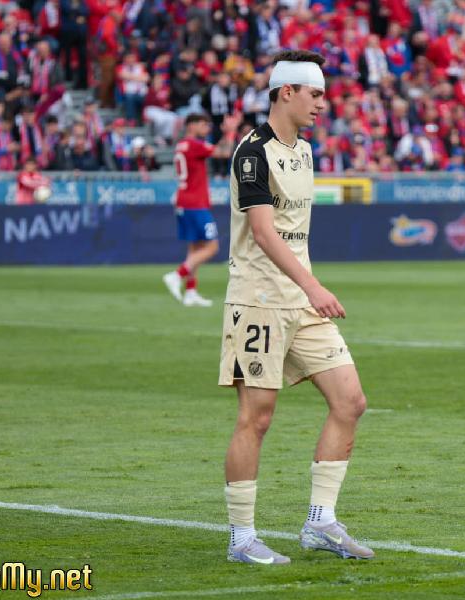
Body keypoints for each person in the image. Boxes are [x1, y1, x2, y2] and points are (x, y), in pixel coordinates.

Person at [219, 50, 372, 566]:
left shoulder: (303, 150)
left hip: (300, 302)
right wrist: (313, 286)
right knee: (256, 418)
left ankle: (320, 523)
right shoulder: (252, 152)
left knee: (350, 401)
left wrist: (306, 289)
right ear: (286, 92)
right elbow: (263, 233)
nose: (322, 104)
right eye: (315, 94)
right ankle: (242, 539)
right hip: (259, 301)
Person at [162, 112, 238, 307]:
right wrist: (230, 132)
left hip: (185, 201)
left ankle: (190, 291)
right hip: (195, 203)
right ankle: (177, 275)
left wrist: (225, 135)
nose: (207, 128)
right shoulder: (194, 145)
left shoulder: (183, 145)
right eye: (203, 124)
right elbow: (224, 152)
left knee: (195, 248)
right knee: (212, 247)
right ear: (191, 125)